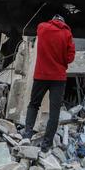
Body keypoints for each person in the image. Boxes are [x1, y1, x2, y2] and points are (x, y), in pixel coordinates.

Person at [22, 13, 75, 152]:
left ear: (52, 20)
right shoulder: (67, 34)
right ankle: (46, 145)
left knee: (34, 104)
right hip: (58, 78)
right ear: (63, 22)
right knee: (54, 112)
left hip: (41, 75)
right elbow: (70, 58)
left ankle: (27, 135)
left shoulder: (42, 28)